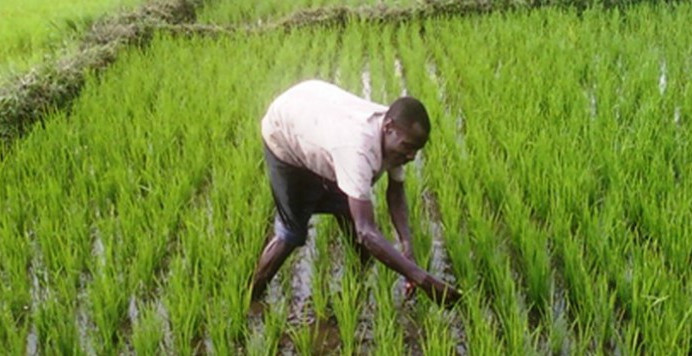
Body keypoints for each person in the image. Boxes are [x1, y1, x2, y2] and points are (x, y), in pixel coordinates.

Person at [251, 79, 461, 307]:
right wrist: (423, 279)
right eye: (408, 148)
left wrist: (407, 246)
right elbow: (367, 232)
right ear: (388, 127)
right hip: (284, 129)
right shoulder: (357, 150)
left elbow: (396, 193)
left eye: (416, 150)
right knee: (292, 231)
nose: (412, 156)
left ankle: (354, 285)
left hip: (315, 110)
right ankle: (251, 296)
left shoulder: (394, 136)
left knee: (348, 206)